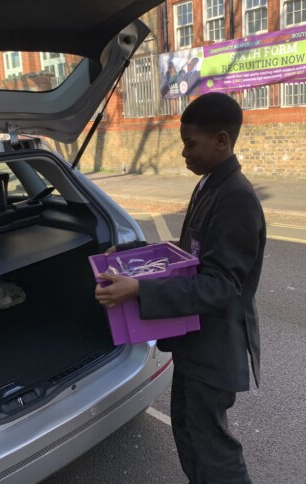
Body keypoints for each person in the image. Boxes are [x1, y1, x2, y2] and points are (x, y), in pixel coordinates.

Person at [95, 92, 266, 484]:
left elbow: (220, 285)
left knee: (213, 449)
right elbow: (191, 252)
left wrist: (140, 290)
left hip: (216, 347)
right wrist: (136, 252)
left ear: (221, 140)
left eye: (191, 144)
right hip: (195, 341)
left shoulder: (236, 198)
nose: (184, 153)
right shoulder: (210, 185)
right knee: (187, 430)